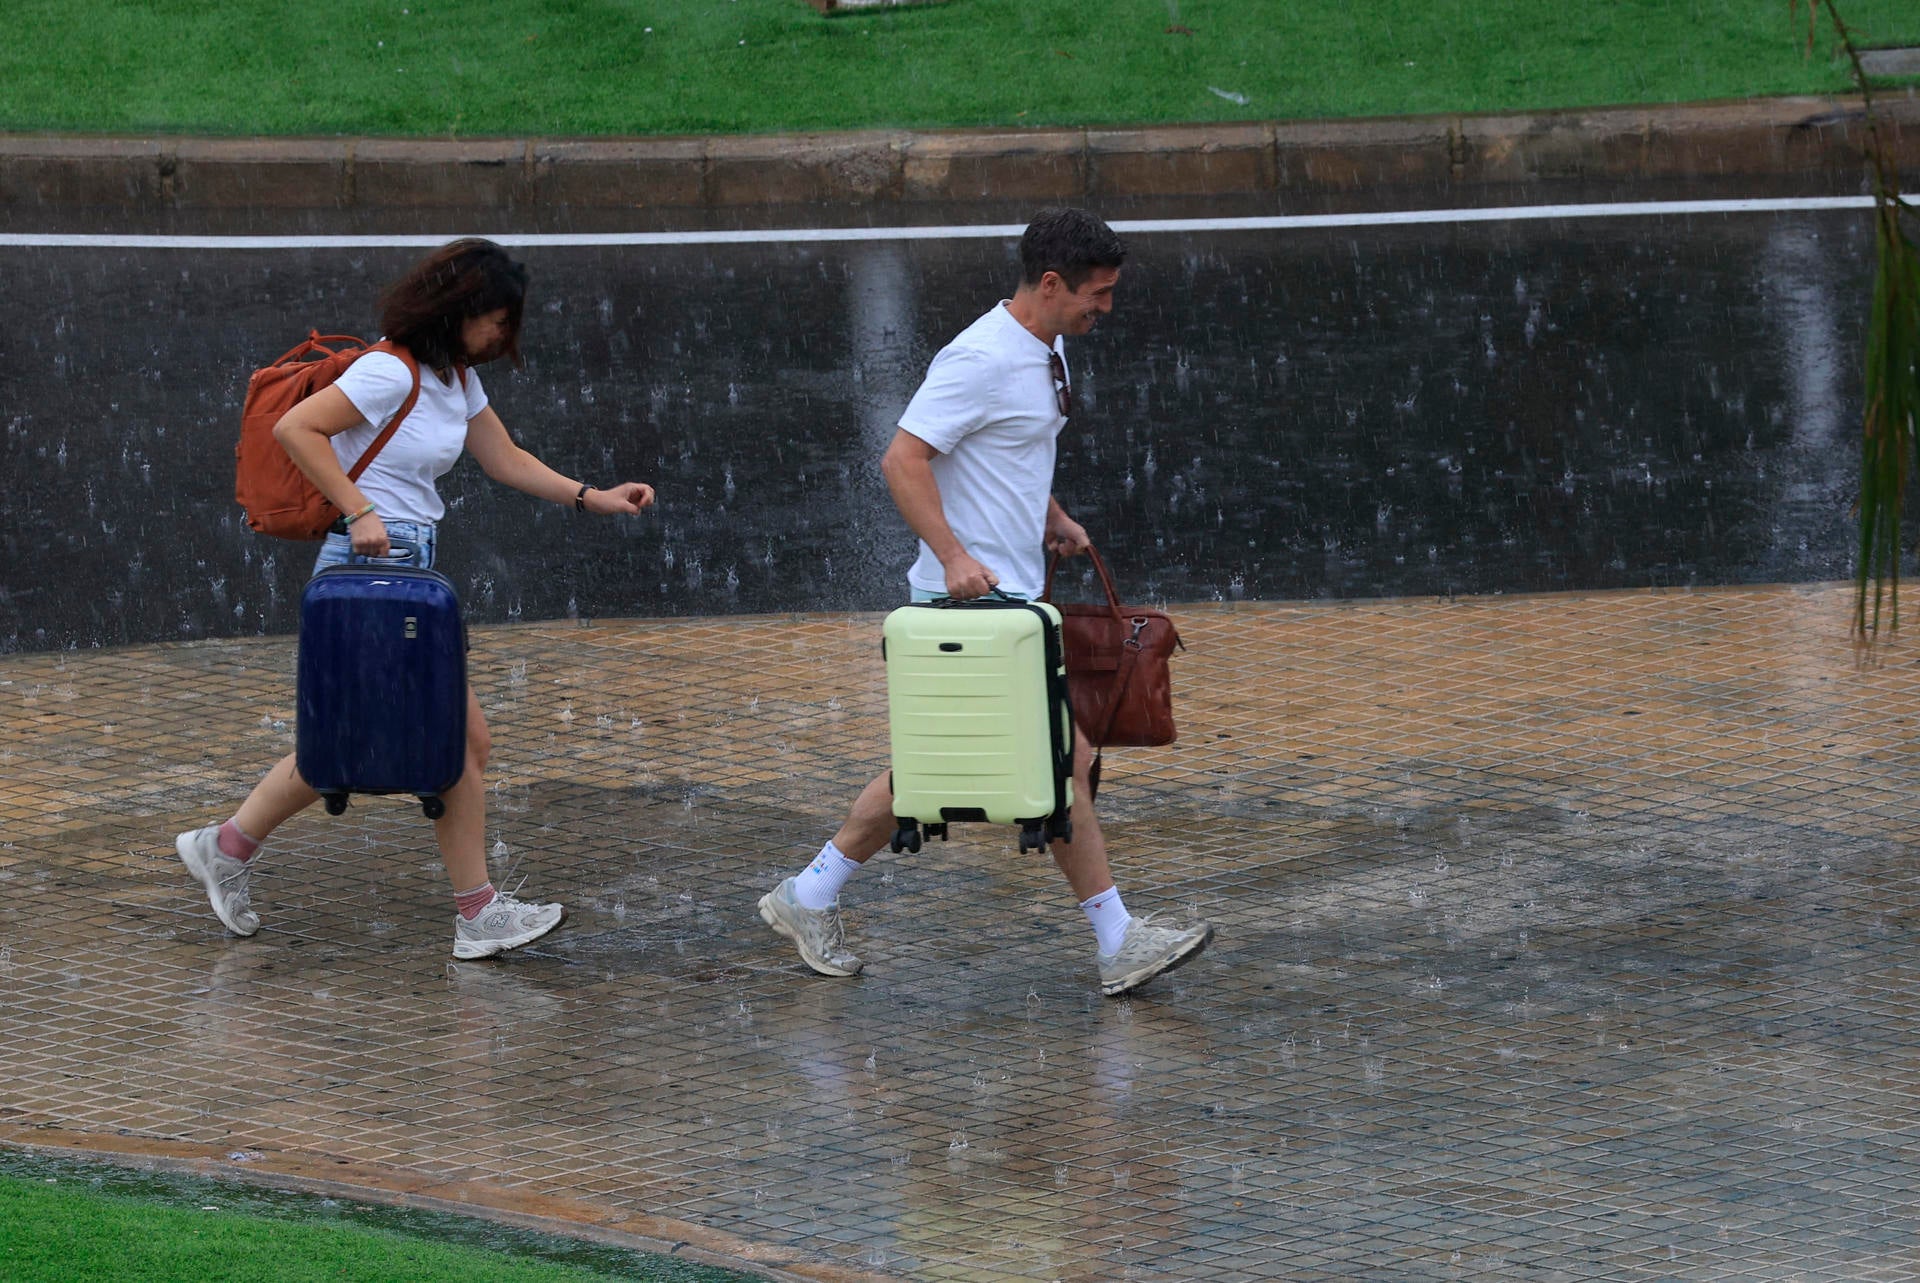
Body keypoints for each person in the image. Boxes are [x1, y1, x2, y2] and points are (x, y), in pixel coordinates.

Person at [758, 207, 1213, 997]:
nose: (1105, 308)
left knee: (980, 767)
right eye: (1096, 294)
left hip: (1010, 611)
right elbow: (903, 460)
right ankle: (1117, 941)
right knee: (1042, 763)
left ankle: (809, 894)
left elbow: (1006, 451)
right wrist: (956, 556)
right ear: (1048, 284)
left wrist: (1051, 514)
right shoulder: (978, 358)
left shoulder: (1046, 345)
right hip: (964, 609)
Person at [175, 239, 655, 960]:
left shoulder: (453, 378)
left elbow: (505, 458)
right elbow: (295, 428)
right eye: (495, 320)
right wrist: (359, 507)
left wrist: (594, 497)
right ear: (456, 310)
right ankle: (477, 913)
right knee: (442, 744)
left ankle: (228, 845)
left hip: (409, 576)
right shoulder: (386, 370)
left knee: (421, 741)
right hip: (366, 569)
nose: (502, 336)